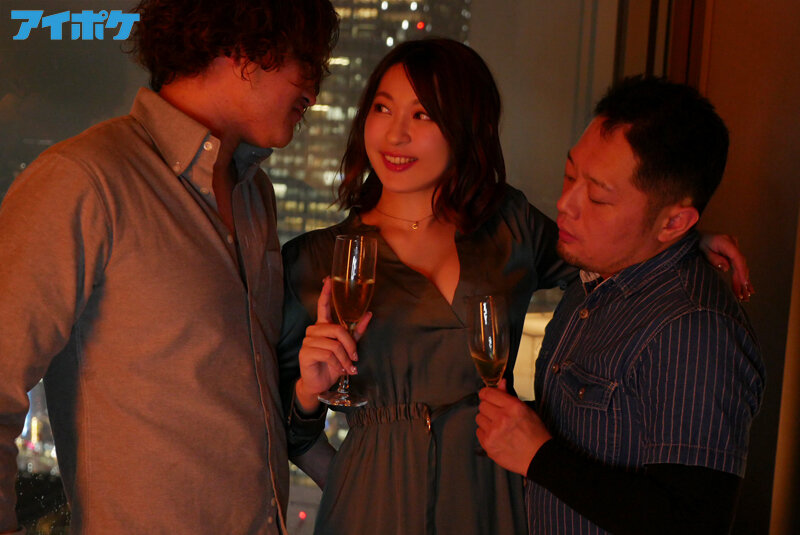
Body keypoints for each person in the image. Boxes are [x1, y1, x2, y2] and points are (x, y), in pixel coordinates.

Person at [278, 39, 751, 535]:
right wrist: (345, 465)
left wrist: (685, 240)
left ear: (466, 128)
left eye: (423, 115)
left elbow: (605, 256)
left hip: (499, 491)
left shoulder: (508, 224)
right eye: (382, 108)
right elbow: (287, 433)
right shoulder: (313, 260)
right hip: (374, 504)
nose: (395, 134)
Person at [0, 1, 338, 533]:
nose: (314, 91)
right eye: (307, 60)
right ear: (242, 45)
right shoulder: (85, 180)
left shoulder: (255, 196)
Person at [476, 76, 766, 534]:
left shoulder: (694, 330)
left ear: (673, 222)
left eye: (597, 196)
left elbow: (693, 521)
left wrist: (539, 456)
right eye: (570, 175)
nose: (565, 203)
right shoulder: (598, 273)